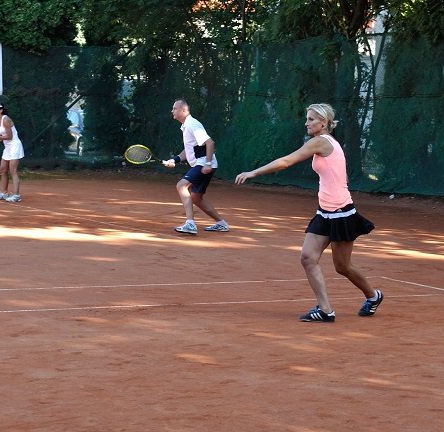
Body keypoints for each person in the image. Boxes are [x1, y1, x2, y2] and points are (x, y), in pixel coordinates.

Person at [234, 103, 383, 322]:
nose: (306, 122)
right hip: (325, 213)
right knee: (307, 257)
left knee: (342, 266)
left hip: (341, 213)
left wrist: (253, 172)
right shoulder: (327, 143)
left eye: (311, 119)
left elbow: (286, 162)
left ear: (324, 123)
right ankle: (325, 310)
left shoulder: (321, 142)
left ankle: (373, 296)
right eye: (307, 118)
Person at [163, 98, 229, 235]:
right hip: (202, 163)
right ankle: (221, 223)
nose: (172, 111)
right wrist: (175, 160)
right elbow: (189, 150)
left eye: (174, 108)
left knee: (181, 185)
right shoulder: (185, 126)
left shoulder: (193, 124)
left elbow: (210, 143)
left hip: (203, 163)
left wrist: (208, 163)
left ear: (183, 110)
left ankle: (190, 224)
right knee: (196, 198)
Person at [0, 102, 24, 202]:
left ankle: (16, 195)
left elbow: (10, 136)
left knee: (13, 170)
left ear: (1, 110)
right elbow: (3, 138)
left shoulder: (6, 119)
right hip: (7, 147)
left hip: (15, 146)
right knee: (3, 170)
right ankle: (4, 193)